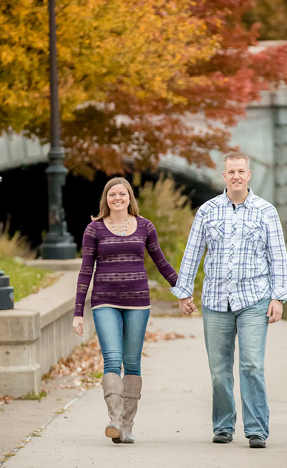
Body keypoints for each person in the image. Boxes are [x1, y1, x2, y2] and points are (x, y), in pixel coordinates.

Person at [171, 151, 287, 449]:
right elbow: (193, 251)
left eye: (241, 171)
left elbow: (278, 257)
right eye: (231, 172)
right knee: (218, 369)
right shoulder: (208, 211)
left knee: (251, 365)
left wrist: (278, 297)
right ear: (224, 177)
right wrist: (183, 291)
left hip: (254, 299)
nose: (236, 176)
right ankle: (223, 426)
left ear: (249, 175)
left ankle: (256, 430)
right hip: (215, 300)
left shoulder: (266, 211)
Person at [72, 177, 179, 444]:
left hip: (138, 303)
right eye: (112, 194)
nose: (117, 198)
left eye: (122, 194)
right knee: (111, 359)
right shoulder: (94, 229)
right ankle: (115, 421)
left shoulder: (145, 226)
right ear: (105, 200)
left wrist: (182, 289)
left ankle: (128, 426)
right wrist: (77, 312)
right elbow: (86, 271)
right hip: (104, 301)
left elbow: (161, 262)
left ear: (130, 197)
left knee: (132, 363)